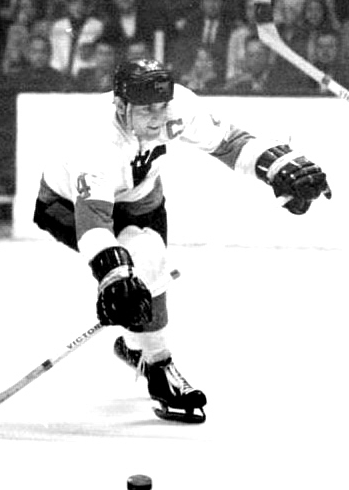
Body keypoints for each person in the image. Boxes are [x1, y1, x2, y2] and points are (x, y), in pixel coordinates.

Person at [32, 59, 331, 423]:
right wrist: (112, 274)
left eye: (161, 107)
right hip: (65, 206)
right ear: (121, 105)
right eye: (146, 110)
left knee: (149, 265)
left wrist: (277, 169)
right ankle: (159, 368)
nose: (157, 119)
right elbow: (94, 220)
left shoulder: (178, 107)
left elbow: (229, 143)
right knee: (141, 261)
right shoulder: (94, 140)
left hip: (141, 200)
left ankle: (135, 346)